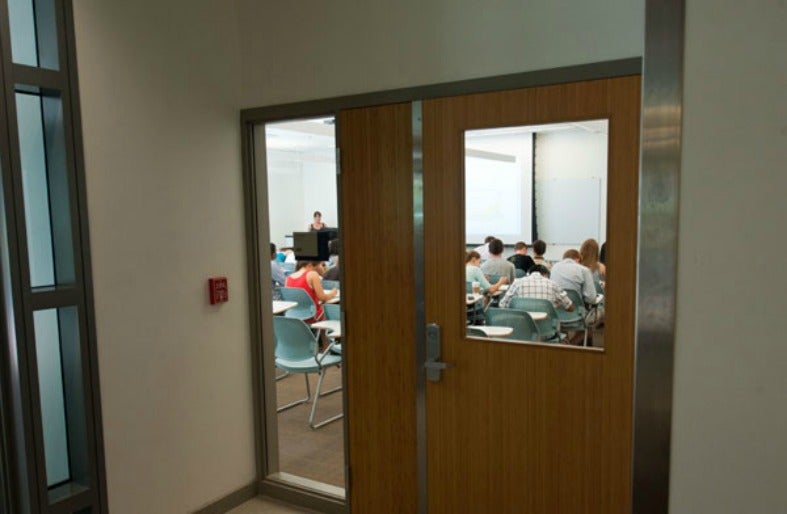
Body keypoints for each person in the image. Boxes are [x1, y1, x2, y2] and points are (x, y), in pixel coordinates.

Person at [499, 265, 573, 311]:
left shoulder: (517, 283)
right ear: (545, 275)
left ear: (529, 273)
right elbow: (569, 307)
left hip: (522, 329)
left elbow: (502, 305)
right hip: (547, 329)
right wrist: (556, 305)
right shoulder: (553, 284)